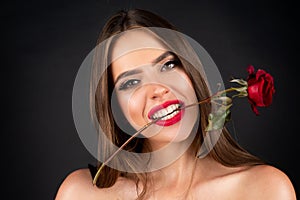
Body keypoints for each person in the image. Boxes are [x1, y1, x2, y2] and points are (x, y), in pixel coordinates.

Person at [55, 8, 296, 200]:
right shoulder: (81, 193)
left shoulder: (264, 190)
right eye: (131, 82)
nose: (158, 88)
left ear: (191, 70)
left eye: (168, 65)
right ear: (113, 106)